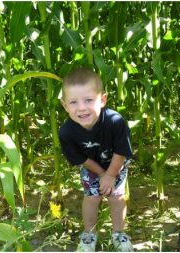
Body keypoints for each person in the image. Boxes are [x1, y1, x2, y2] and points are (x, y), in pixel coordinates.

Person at [59, 67, 133, 252]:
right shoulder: (67, 132)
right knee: (92, 197)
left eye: (88, 100)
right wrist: (100, 173)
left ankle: (119, 234)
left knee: (116, 197)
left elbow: (121, 152)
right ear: (64, 105)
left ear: (103, 100)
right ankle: (89, 234)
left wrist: (109, 175)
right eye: (74, 102)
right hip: (91, 166)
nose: (82, 107)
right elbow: (81, 158)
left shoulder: (115, 121)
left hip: (116, 164)